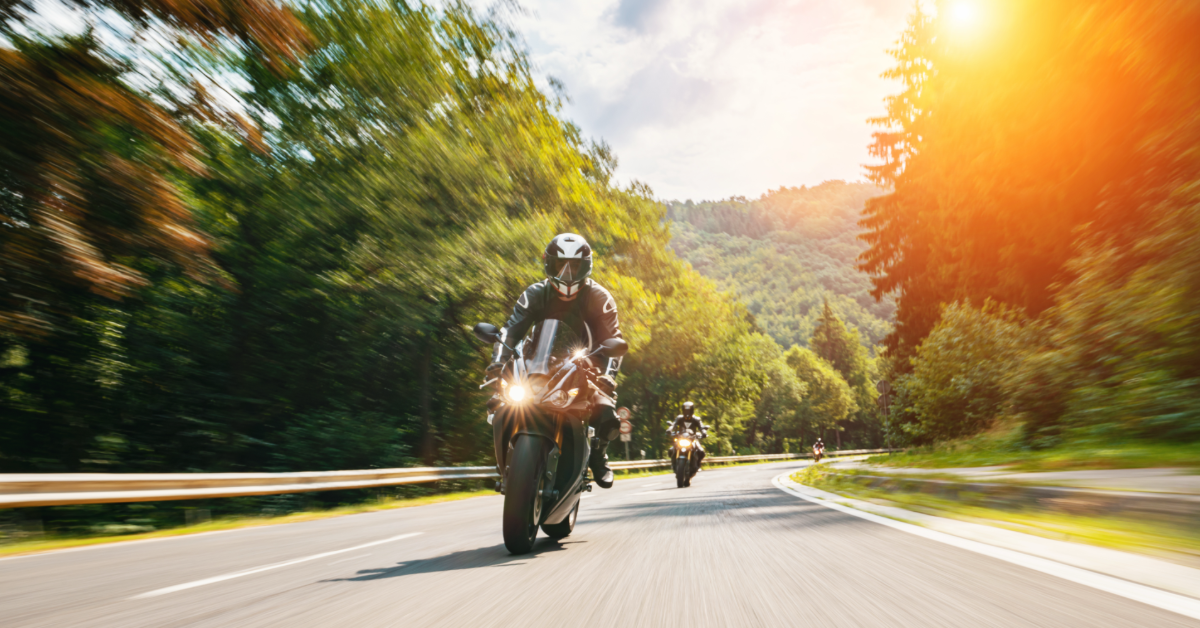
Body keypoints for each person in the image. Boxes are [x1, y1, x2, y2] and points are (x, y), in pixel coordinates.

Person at [486, 233, 623, 488]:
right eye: (561, 264)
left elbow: (614, 339)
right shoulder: (534, 294)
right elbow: (510, 331)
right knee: (498, 403)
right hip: (535, 364)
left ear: (586, 266)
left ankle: (597, 452)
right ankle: (507, 463)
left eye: (575, 265)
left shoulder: (600, 298)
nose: (568, 272)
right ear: (549, 264)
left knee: (606, 413)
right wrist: (498, 362)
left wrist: (608, 376)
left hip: (585, 367)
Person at [669, 401, 708, 470]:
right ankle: (673, 464)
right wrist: (669, 429)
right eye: (685, 411)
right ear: (683, 411)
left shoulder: (696, 419)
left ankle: (698, 465)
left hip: (693, 439)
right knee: (671, 450)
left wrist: (704, 432)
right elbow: (673, 424)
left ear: (692, 411)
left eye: (689, 411)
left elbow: (701, 427)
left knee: (701, 451)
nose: (687, 413)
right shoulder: (679, 418)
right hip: (681, 438)